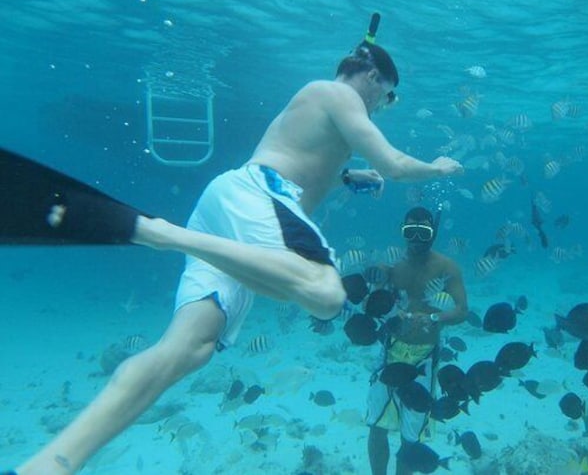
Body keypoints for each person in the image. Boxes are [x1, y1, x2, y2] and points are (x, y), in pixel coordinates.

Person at [9, 40, 463, 475]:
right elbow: (397, 165)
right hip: (257, 199)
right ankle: (162, 233)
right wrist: (438, 167)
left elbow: (302, 155)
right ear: (372, 76)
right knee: (325, 295)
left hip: (232, 213)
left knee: (189, 350)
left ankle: (55, 460)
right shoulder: (338, 93)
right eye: (388, 95)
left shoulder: (320, 102)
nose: (384, 105)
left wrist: (346, 177)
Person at [366, 206, 468, 475]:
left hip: (425, 356)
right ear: (402, 231)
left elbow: (461, 310)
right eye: (410, 232)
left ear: (432, 233)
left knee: (410, 436)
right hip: (390, 351)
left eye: (422, 233)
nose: (415, 239)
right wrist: (390, 311)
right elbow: (374, 304)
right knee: (376, 425)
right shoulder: (391, 266)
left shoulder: (447, 267)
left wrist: (434, 319)